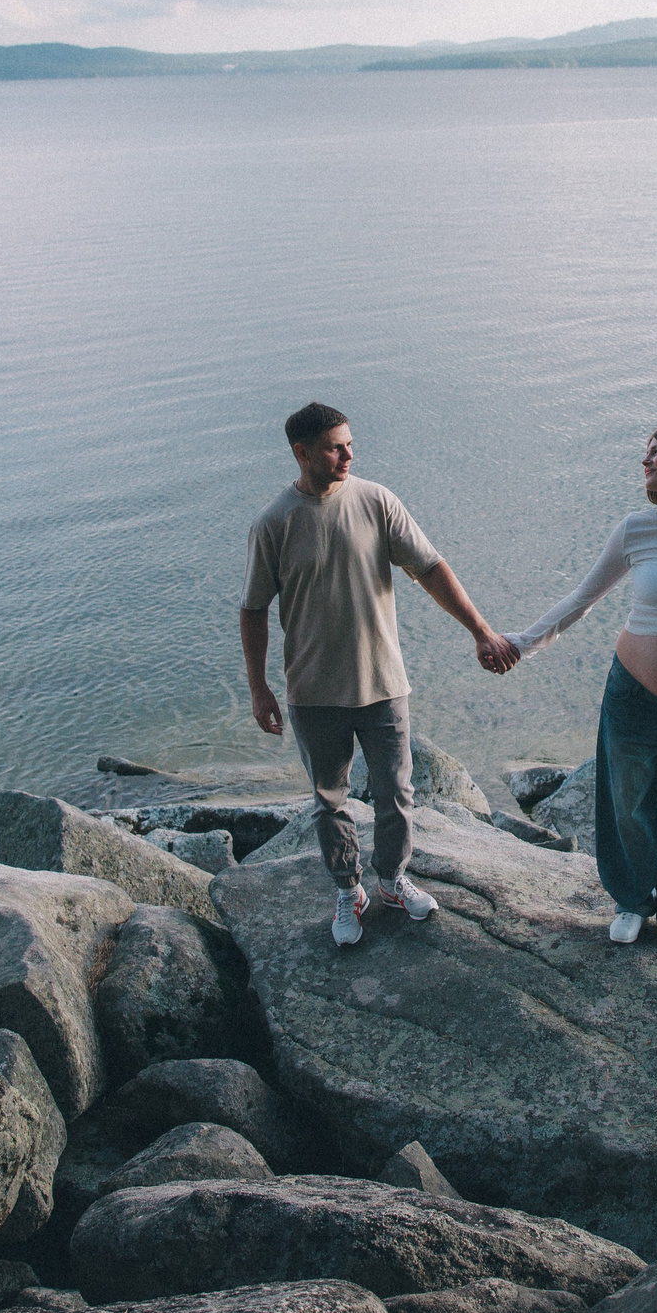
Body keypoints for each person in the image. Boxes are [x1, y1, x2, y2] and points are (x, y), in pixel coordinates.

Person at [242, 402, 521, 947]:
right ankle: (349, 889)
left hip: (383, 682)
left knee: (396, 792)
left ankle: (392, 880)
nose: (348, 454)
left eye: (349, 443)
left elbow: (430, 568)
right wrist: (259, 688)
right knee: (330, 801)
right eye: (335, 447)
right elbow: (253, 609)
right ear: (302, 453)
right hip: (313, 690)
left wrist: (481, 631)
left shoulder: (376, 501)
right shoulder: (274, 522)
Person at [505, 424, 657, 948]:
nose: (645, 461)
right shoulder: (636, 529)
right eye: (646, 453)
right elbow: (582, 599)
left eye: (655, 452)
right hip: (633, 696)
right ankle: (633, 900)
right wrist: (521, 644)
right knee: (627, 804)